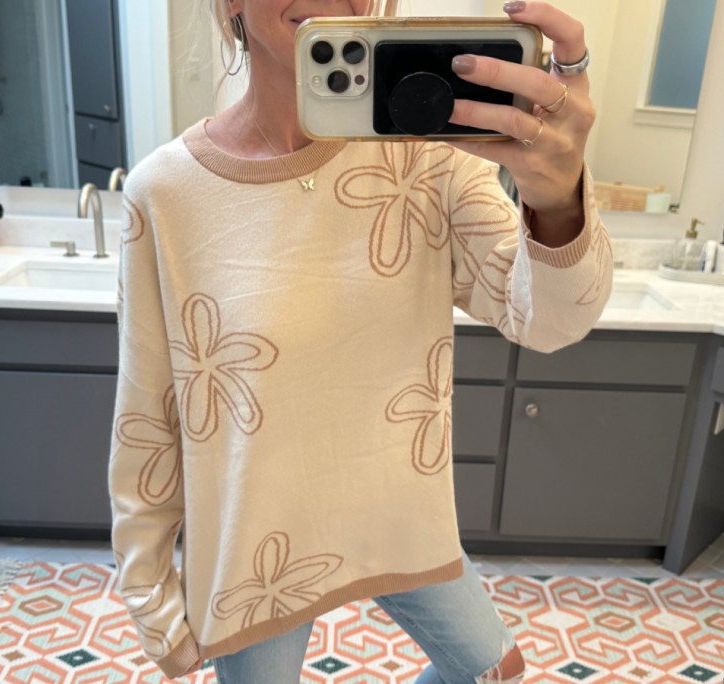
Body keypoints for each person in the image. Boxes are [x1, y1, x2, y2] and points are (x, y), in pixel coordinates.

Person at [108, 0, 612, 681]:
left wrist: (556, 202)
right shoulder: (165, 194)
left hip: (400, 514)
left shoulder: (433, 158)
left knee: (493, 670)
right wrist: (150, 595)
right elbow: (147, 412)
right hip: (259, 551)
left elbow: (550, 320)